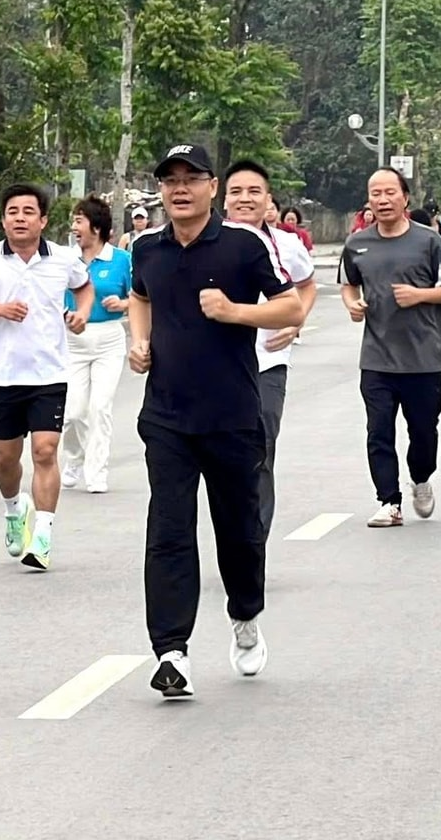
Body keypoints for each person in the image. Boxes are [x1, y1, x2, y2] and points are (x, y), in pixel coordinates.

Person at [128, 144, 301, 700]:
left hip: (231, 416)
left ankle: (245, 615)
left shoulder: (242, 245)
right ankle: (171, 651)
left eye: (191, 179)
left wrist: (235, 312)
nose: (179, 189)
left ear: (212, 187)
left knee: (239, 533)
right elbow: (139, 297)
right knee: (169, 532)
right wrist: (139, 340)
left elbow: (291, 307)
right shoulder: (146, 248)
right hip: (167, 418)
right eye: (169, 180)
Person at [0, 183, 93, 571]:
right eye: (12, 211)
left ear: (43, 220)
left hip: (50, 373)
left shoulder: (63, 259)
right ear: (3, 220)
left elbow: (84, 288)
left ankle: (43, 536)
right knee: (6, 458)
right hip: (4, 377)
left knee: (46, 450)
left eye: (27, 211)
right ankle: (14, 511)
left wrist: (81, 313)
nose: (19, 218)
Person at [342, 167, 441, 528]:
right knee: (379, 431)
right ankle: (388, 501)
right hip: (377, 357)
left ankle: (421, 478)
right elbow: (349, 284)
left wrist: (419, 296)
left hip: (423, 358)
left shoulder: (429, 241)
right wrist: (352, 303)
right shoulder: (357, 244)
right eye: (375, 193)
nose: (382, 199)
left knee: (423, 431)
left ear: (405, 197)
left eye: (389, 192)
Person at [223, 161, 317, 532]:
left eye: (254, 192)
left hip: (268, 363)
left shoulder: (288, 245)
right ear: (223, 197)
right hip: (217, 366)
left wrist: (296, 320)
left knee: (261, 445)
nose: (245, 199)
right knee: (224, 457)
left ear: (268, 200)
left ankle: (254, 540)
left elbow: (306, 285)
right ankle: (233, 531)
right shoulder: (207, 241)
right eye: (237, 192)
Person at [58, 197, 131, 496]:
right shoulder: (65, 259)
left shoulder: (121, 260)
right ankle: (73, 458)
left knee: (100, 407)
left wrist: (123, 303)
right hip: (72, 341)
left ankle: (96, 471)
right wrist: (65, 314)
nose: (75, 227)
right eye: (74, 221)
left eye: (80, 221)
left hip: (109, 339)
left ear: (96, 227)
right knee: (73, 411)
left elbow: (141, 297)